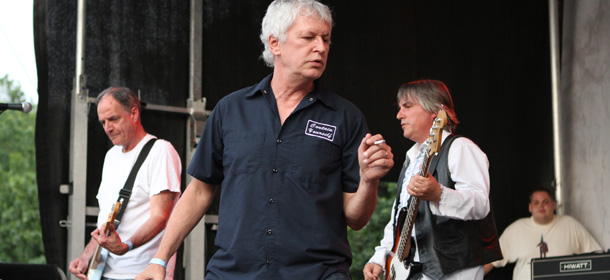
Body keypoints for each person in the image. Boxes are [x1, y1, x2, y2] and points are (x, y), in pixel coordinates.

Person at [136, 0, 394, 279]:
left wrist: (369, 181)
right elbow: (199, 192)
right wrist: (160, 260)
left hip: (316, 274)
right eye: (308, 37)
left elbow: (356, 219)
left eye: (326, 39)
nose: (320, 47)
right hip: (233, 273)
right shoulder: (230, 109)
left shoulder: (346, 117)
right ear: (275, 44)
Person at [363, 80, 503, 280]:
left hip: (454, 267)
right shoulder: (411, 158)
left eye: (407, 106)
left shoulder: (460, 148)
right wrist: (380, 257)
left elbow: (480, 204)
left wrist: (439, 195)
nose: (399, 114)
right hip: (416, 269)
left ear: (436, 111)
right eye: (400, 108)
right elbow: (398, 219)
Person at [68, 87, 182, 280]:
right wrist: (86, 256)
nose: (107, 128)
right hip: (103, 272)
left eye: (113, 119)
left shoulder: (160, 151)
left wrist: (125, 246)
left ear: (134, 113)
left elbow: (161, 217)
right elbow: (107, 221)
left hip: (142, 274)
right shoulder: (111, 156)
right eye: (103, 122)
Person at [484, 187, 602, 280]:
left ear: (554, 205)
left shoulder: (570, 224)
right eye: (536, 203)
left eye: (545, 202)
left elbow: (598, 256)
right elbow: (492, 260)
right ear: (530, 207)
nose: (541, 206)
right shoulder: (517, 229)